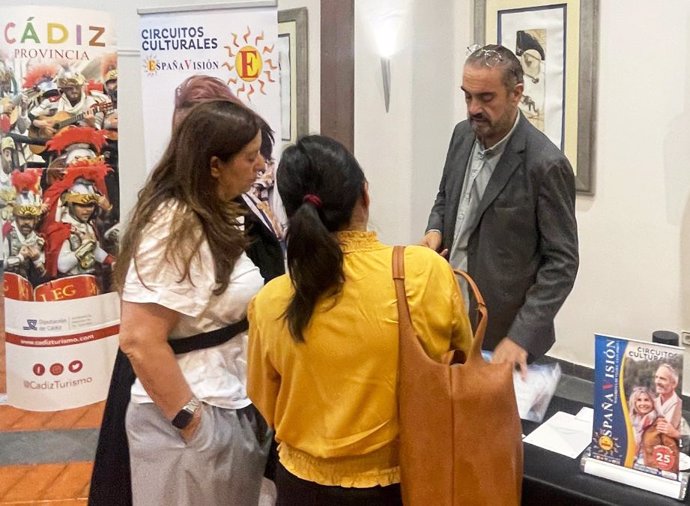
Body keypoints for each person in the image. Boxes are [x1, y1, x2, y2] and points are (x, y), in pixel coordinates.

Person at [247, 135, 472, 505]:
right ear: (364, 196)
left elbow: (265, 402)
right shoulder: (423, 271)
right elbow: (459, 357)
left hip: (302, 487)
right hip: (405, 483)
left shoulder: (272, 300)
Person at [104, 100, 270, 505]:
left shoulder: (209, 214)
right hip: (192, 420)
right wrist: (191, 422)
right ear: (215, 165)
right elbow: (140, 339)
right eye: (250, 157)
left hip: (226, 403)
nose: (262, 165)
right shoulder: (173, 225)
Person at [421, 44, 578, 377]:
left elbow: (562, 263)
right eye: (467, 97)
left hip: (503, 336)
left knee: (496, 429)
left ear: (516, 93)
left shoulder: (546, 164)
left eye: (486, 98)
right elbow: (445, 198)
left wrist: (520, 336)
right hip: (449, 318)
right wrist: (435, 230)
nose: (473, 108)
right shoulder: (462, 135)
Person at [653, 363, 681, 439]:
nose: (657, 382)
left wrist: (676, 434)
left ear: (674, 384)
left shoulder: (683, 407)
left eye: (662, 378)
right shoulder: (650, 404)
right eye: (656, 377)